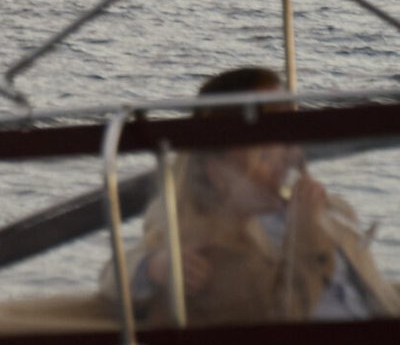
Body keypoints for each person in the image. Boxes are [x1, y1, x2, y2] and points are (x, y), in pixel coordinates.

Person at [119, 66, 400, 327]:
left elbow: (376, 296)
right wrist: (154, 267)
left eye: (289, 123)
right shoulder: (201, 226)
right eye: (271, 132)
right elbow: (280, 329)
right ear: (221, 161)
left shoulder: (331, 208)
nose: (288, 146)